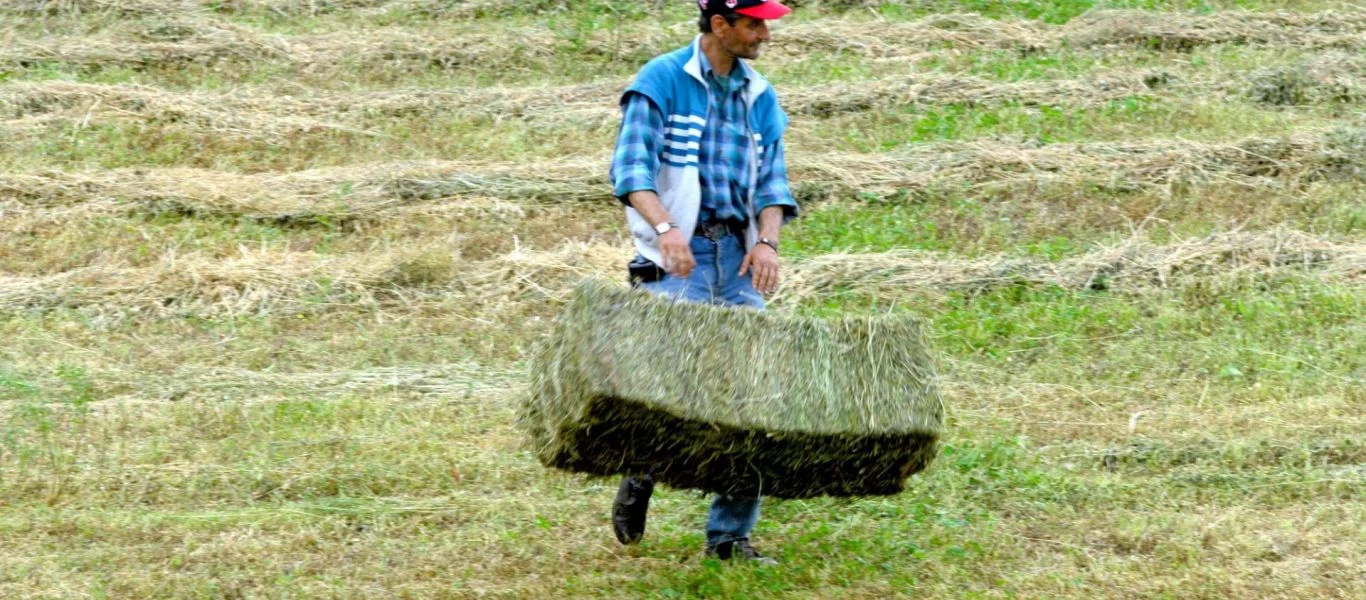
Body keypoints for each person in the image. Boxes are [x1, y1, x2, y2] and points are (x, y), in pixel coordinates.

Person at [607, 0, 798, 564]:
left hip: (735, 257)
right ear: (720, 25)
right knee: (673, 393)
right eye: (754, 22)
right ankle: (642, 470)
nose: (764, 33)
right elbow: (631, 170)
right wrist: (666, 230)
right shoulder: (661, 80)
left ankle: (729, 537)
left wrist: (766, 241)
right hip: (678, 259)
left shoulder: (758, 94)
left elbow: (773, 184)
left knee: (756, 396)